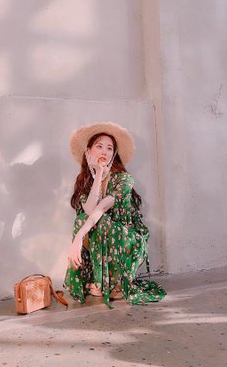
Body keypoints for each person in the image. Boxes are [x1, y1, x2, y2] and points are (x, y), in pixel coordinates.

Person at [64, 122, 166, 308]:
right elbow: (89, 211)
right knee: (81, 220)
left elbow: (100, 209)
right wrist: (98, 175)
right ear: (88, 152)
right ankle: (101, 280)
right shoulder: (86, 182)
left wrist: (78, 238)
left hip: (128, 238)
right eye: (99, 146)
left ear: (114, 154)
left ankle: (113, 283)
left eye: (110, 148)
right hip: (104, 233)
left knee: (101, 221)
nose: (105, 151)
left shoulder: (123, 179)